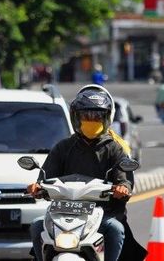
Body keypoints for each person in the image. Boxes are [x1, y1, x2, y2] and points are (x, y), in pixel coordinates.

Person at [27, 84, 133, 261]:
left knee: (116, 229)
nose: (91, 120)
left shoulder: (115, 149)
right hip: (63, 213)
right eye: (86, 115)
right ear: (76, 117)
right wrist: (37, 186)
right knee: (36, 226)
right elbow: (45, 177)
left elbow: (125, 180)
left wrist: (122, 187)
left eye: (97, 116)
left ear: (107, 118)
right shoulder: (63, 147)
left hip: (101, 214)